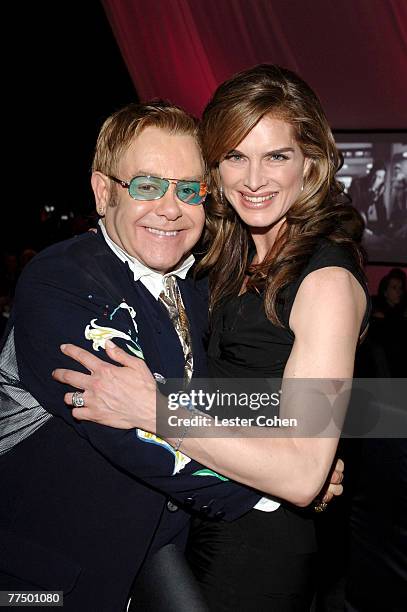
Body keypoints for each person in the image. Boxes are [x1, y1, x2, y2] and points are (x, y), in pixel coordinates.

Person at [53, 65, 368, 611]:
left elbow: (299, 474)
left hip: (256, 549)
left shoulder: (327, 283)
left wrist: (156, 409)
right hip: (187, 519)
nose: (254, 179)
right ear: (213, 167)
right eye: (235, 157)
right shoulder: (224, 252)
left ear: (310, 163)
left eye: (277, 156)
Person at [0, 101, 288, 612]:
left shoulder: (200, 286)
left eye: (188, 189)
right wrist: (282, 479)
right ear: (102, 191)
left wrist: (320, 435)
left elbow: (220, 397)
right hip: (51, 578)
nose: (171, 208)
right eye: (147, 185)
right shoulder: (64, 281)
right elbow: (142, 439)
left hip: (155, 558)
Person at [349, 160, 387, 235]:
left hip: (371, 226)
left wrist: (384, 231)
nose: (376, 180)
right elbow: (355, 207)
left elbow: (381, 210)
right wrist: (372, 190)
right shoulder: (357, 184)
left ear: (383, 180)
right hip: (356, 222)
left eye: (379, 177)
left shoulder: (380, 188)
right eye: (374, 176)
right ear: (370, 174)